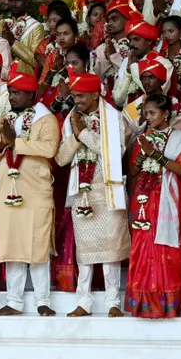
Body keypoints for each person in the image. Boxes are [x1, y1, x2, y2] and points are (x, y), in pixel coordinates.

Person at [0, 65, 60, 317]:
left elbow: (49, 149)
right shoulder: (4, 120)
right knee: (12, 244)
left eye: (16, 93)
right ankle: (14, 302)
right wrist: (2, 145)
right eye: (10, 92)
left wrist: (14, 142)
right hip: (8, 190)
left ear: (31, 95)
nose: (12, 97)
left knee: (38, 245)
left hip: (36, 191)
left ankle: (42, 301)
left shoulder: (46, 119)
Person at [56, 72, 134, 318]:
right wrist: (75, 136)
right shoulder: (71, 119)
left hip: (108, 191)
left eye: (81, 96)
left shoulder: (114, 118)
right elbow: (61, 158)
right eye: (74, 96)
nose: (76, 100)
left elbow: (116, 152)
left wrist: (84, 134)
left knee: (111, 250)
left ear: (95, 94)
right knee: (85, 252)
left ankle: (113, 302)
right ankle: (84, 302)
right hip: (83, 194)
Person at [123, 94, 181, 318]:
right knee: (142, 247)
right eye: (145, 113)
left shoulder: (180, 139)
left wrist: (154, 153)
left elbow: (180, 169)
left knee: (166, 250)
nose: (148, 118)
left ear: (166, 114)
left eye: (152, 113)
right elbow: (134, 171)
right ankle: (142, 303)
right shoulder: (143, 138)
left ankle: (166, 304)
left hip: (167, 200)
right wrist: (143, 153)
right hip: (144, 200)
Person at [0, 0, 45, 75]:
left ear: (26, 2)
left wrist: (13, 42)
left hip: (25, 79)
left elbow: (36, 62)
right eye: (10, 0)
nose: (13, 4)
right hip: (1, 79)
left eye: (17, 0)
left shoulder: (36, 27)